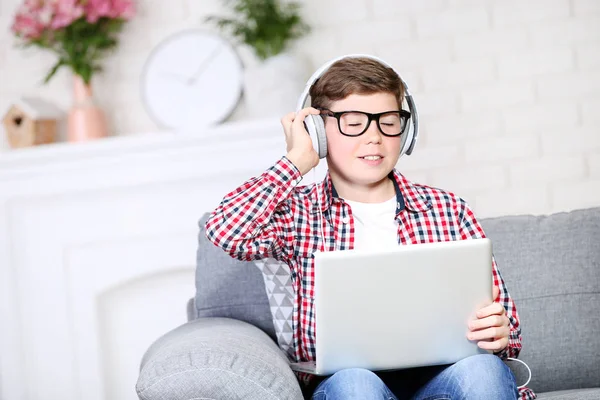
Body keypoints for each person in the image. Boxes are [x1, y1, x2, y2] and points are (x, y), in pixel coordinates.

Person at [205, 56, 534, 400]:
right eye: (353, 122)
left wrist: (498, 332)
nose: (374, 137)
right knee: (356, 384)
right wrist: (296, 161)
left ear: (405, 131)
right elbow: (226, 231)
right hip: (349, 383)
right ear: (317, 131)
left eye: (388, 122)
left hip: (441, 379)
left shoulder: (448, 209)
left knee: (482, 371)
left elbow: (506, 324)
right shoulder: (297, 213)